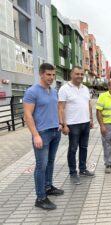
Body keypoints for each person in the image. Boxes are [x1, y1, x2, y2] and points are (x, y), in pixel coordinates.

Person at [23, 63, 64, 210]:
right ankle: (40, 198)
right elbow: (27, 115)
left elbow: (56, 109)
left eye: (53, 75)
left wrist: (59, 123)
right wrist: (35, 135)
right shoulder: (32, 91)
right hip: (42, 134)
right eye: (48, 74)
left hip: (54, 131)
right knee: (41, 166)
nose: (51, 77)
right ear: (41, 74)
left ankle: (48, 187)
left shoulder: (53, 91)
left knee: (51, 162)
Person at [58, 66, 94, 185]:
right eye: (77, 74)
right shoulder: (64, 89)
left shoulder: (85, 88)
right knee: (73, 149)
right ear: (71, 74)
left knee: (84, 147)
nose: (80, 76)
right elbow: (61, 108)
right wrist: (64, 124)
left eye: (81, 74)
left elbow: (88, 104)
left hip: (85, 122)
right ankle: (73, 173)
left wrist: (91, 119)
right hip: (72, 125)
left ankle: (83, 169)